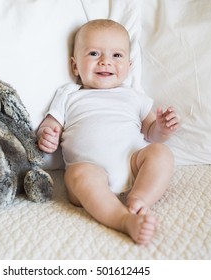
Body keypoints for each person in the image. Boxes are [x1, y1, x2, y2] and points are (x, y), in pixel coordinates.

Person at [37, 19, 179, 245]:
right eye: (94, 53)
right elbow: (50, 124)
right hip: (90, 171)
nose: (105, 62)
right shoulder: (69, 95)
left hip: (133, 165)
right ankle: (123, 220)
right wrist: (47, 135)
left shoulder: (134, 97)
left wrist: (162, 128)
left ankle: (140, 198)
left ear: (129, 65)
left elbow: (152, 134)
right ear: (75, 66)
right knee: (76, 174)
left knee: (161, 153)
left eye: (117, 56)